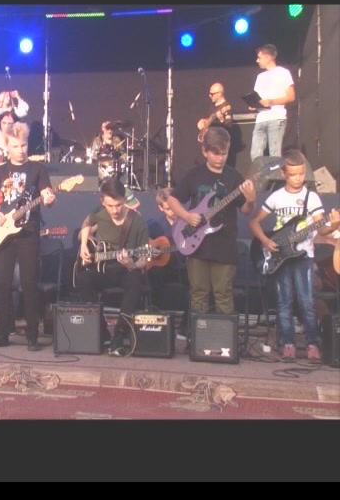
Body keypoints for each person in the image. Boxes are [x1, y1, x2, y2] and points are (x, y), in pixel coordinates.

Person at [248, 149, 340, 362]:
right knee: (284, 301)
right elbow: (254, 222)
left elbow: (322, 228)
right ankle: (287, 343)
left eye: (301, 174)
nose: (298, 178)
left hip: (303, 256)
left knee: (307, 301)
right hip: (281, 256)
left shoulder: (311, 197)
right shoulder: (276, 197)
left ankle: (312, 344)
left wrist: (333, 224)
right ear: (283, 173)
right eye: (293, 174)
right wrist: (266, 241)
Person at [0, 121, 55, 351]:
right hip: (4, 233)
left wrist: (50, 199)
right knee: (1, 284)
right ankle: (1, 333)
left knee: (29, 284)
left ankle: (32, 335)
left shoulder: (38, 169)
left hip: (29, 232)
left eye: (24, 145)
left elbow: (47, 197)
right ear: (7, 147)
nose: (21, 150)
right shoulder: (0, 171)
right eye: (15, 146)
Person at [164, 127, 256, 317]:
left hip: (225, 244)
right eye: (216, 153)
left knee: (223, 294)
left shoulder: (234, 177)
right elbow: (172, 200)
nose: (220, 158)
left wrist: (251, 200)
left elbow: (246, 211)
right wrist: (187, 216)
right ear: (204, 151)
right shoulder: (194, 175)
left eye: (224, 153)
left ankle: (224, 336)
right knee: (199, 294)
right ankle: (199, 334)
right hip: (197, 245)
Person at [75, 178, 149, 356]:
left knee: (135, 282)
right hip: (103, 269)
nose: (115, 210)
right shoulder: (98, 213)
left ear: (124, 200)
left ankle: (119, 336)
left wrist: (132, 264)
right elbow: (86, 225)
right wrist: (84, 244)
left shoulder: (138, 222)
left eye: (118, 205)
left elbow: (145, 258)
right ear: (102, 202)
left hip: (126, 270)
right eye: (110, 206)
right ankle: (101, 331)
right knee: (83, 279)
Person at [146, 187, 189, 332]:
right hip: (162, 269)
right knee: (153, 275)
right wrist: (151, 250)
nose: (173, 211)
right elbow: (141, 241)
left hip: (183, 267)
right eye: (168, 209)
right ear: (161, 208)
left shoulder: (188, 222)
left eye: (175, 207)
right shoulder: (154, 224)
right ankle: (156, 320)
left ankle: (187, 326)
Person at [249, 44, 295, 161]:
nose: (257, 60)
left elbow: (291, 97)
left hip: (276, 117)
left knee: (274, 154)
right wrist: (254, 105)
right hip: (261, 118)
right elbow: (258, 98)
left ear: (268, 57)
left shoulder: (283, 72)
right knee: (255, 154)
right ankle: (259, 173)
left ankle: (276, 173)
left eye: (259, 57)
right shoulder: (260, 76)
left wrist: (271, 101)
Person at [199, 83, 240, 168]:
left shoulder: (226, 107)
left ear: (219, 93)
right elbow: (210, 120)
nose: (210, 96)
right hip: (211, 143)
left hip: (220, 144)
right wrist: (203, 122)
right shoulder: (213, 106)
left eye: (212, 94)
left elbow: (227, 125)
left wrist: (221, 120)